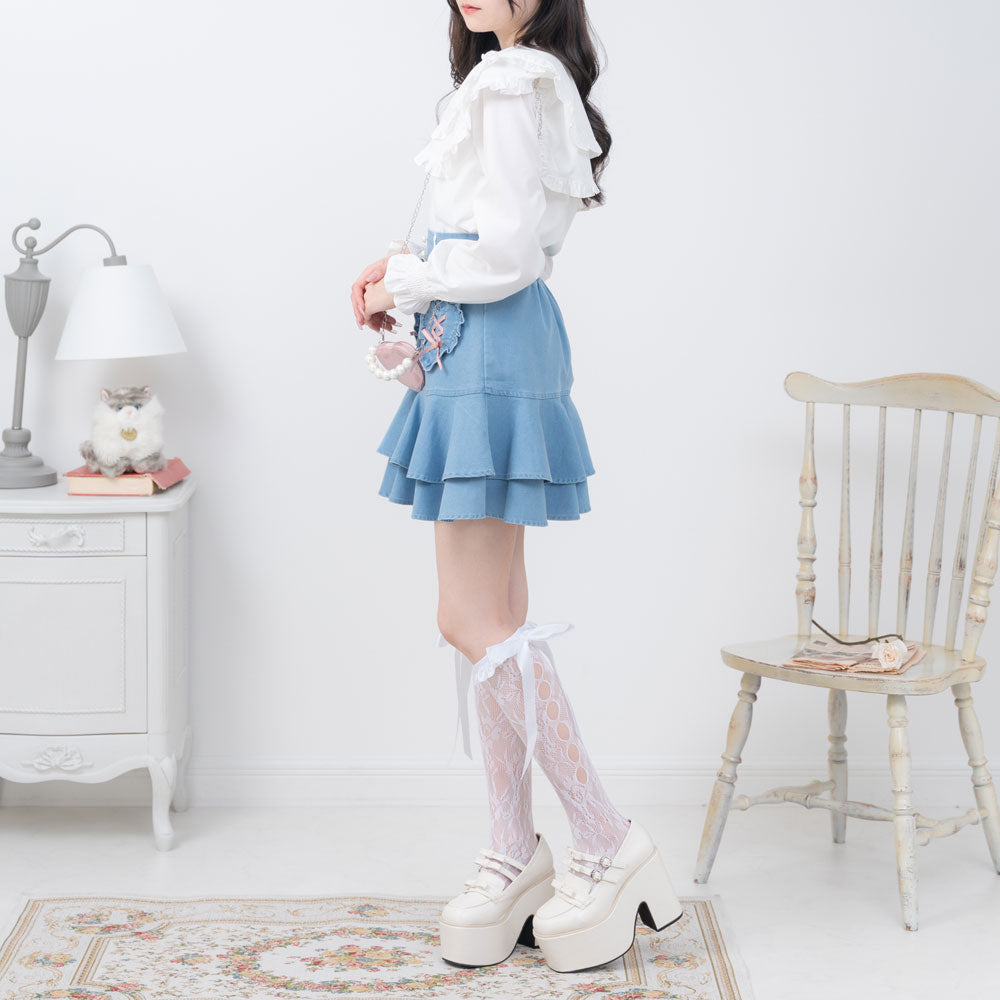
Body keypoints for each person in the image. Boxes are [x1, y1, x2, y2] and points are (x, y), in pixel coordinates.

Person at [349, 0, 682, 975]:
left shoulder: (509, 83)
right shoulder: (524, 78)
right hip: (499, 342)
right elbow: (500, 243)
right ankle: (514, 848)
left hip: (489, 344)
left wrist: (405, 280)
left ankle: (603, 834)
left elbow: (503, 254)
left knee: (469, 617)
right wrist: (408, 274)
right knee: (498, 615)